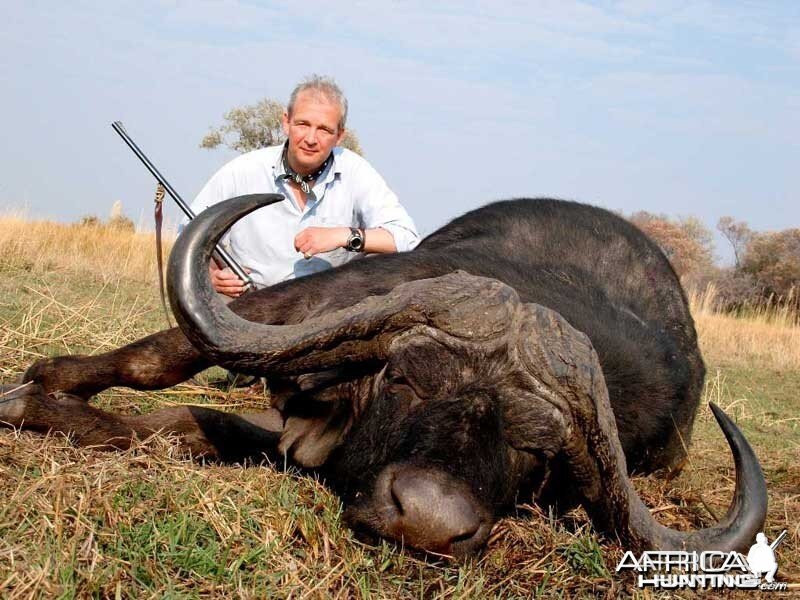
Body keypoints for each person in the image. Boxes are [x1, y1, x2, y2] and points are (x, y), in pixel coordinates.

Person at [189, 75, 419, 298]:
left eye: (324, 129)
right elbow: (188, 236)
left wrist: (344, 236)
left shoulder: (356, 171)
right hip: (249, 302)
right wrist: (211, 276)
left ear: (339, 136)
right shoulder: (241, 171)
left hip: (325, 309)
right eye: (303, 124)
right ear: (286, 122)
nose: (311, 138)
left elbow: (406, 239)